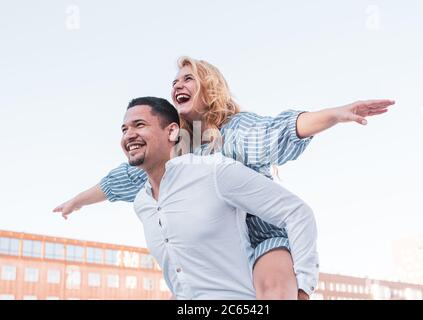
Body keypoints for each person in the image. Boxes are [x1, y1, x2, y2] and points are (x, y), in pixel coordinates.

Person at [54, 57, 394, 299]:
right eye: (174, 82)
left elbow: (278, 130)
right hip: (217, 249)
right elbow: (125, 178)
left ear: (209, 86)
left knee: (273, 290)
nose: (178, 85)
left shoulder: (235, 131)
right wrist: (78, 201)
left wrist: (336, 114)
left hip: (260, 237)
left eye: (188, 79)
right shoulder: (178, 147)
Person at [119, 96, 318, 299]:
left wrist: (303, 288)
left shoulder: (213, 171)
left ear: (171, 131)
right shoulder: (142, 204)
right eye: (124, 129)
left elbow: (297, 212)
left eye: (139, 125)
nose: (129, 135)